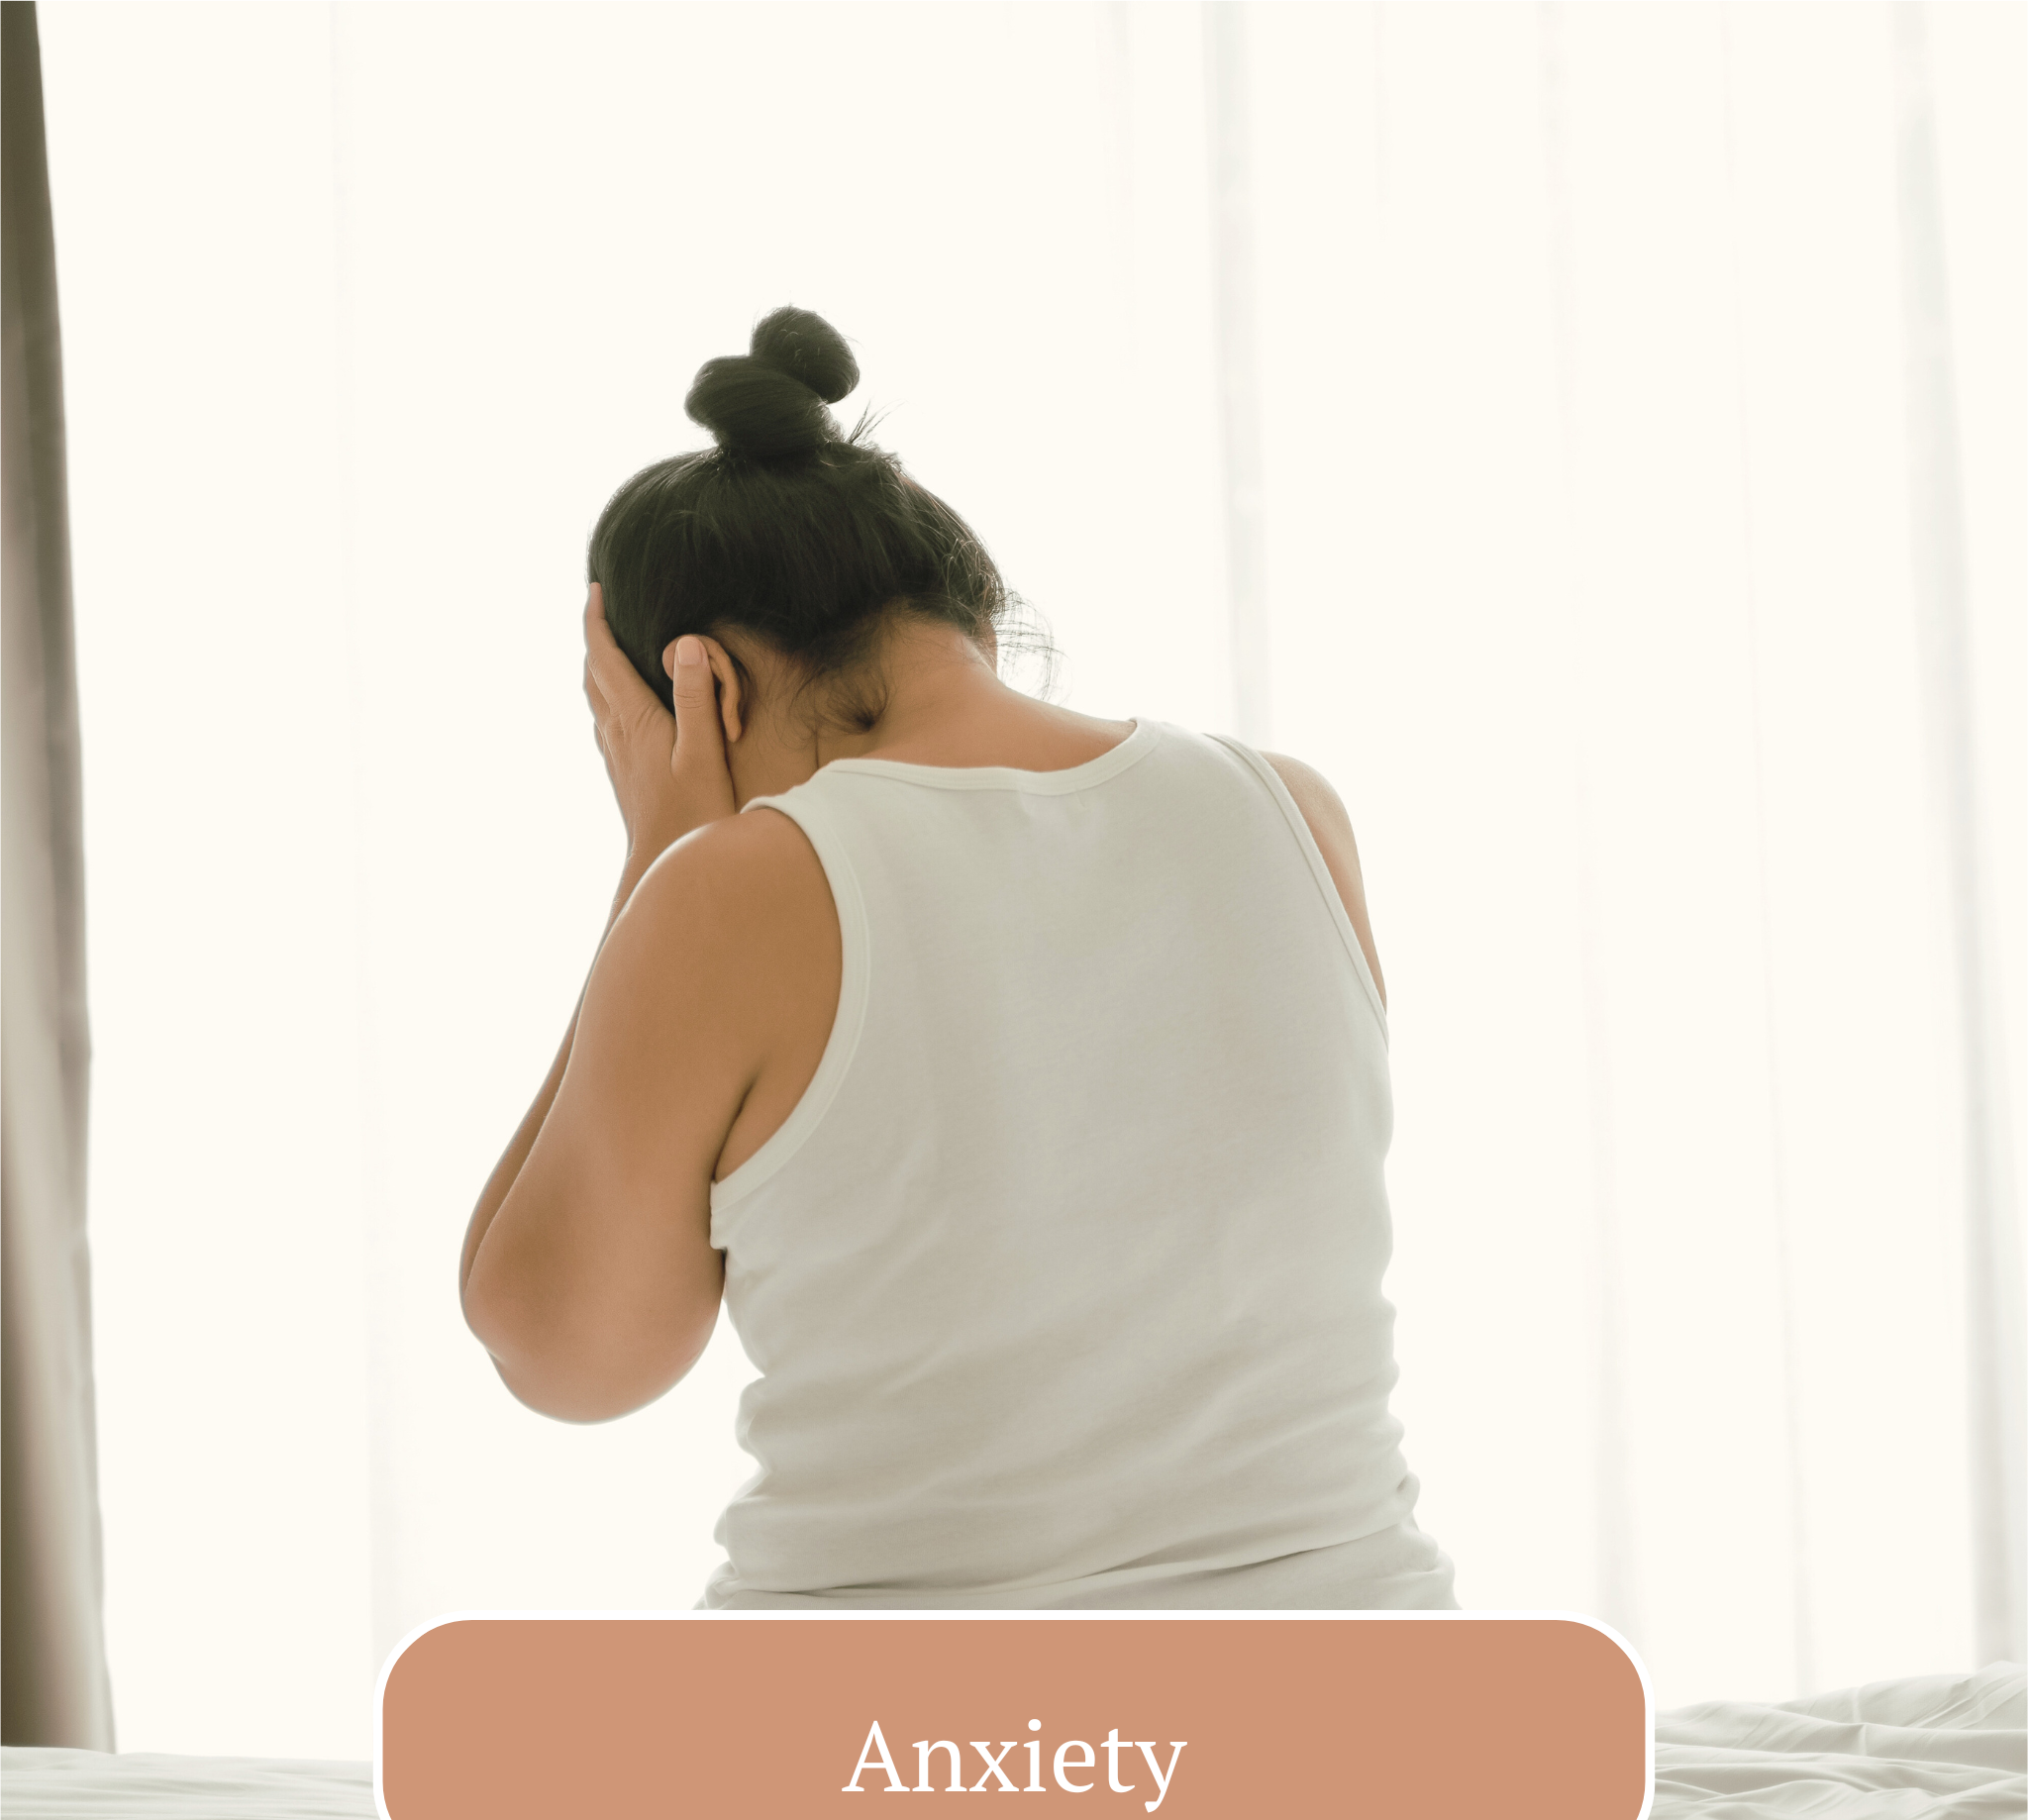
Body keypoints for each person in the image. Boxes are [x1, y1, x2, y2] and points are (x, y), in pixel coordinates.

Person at [458, 306, 1458, 1613]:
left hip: (916, 1754)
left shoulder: (733, 888)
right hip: (1380, 1706)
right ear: (973, 608)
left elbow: (569, 1358)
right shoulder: (1291, 810)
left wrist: (653, 861)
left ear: (701, 685)